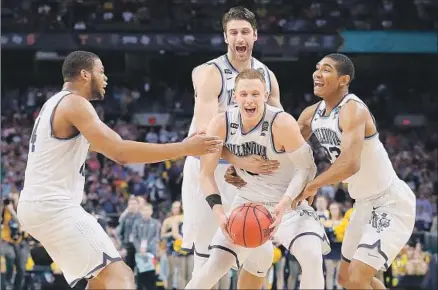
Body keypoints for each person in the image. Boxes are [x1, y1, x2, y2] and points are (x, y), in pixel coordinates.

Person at [16, 50, 222, 289]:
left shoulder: (54, 104)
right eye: (100, 71)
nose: (105, 78)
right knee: (120, 276)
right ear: (84, 74)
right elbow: (120, 153)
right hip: (52, 206)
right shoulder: (75, 104)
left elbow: (114, 147)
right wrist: (184, 148)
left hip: (38, 206)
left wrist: (183, 146)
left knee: (101, 280)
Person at [185, 68, 330, 289]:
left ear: (265, 95)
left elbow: (306, 168)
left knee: (312, 256)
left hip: (289, 204)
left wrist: (284, 203)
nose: (249, 100)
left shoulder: (281, 123)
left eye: (255, 94)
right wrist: (220, 213)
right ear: (235, 96)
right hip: (248, 203)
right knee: (213, 268)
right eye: (243, 94)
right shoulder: (221, 123)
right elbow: (205, 174)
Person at [292, 53, 416, 289]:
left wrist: (312, 185)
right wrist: (246, 169)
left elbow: (350, 163)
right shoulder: (311, 114)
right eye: (317, 68)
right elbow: (285, 150)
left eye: (326, 69)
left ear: (343, 80)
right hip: (363, 203)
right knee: (347, 279)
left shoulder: (353, 109)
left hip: (390, 202)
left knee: (358, 277)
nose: (317, 73)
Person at [181, 7, 283, 287]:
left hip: (247, 177)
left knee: (259, 251)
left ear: (255, 36)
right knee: (206, 258)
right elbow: (205, 137)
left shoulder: (267, 76)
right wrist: (242, 161)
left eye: (245, 32)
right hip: (208, 171)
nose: (240, 37)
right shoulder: (209, 74)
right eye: (234, 32)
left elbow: (281, 130)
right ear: (226, 37)